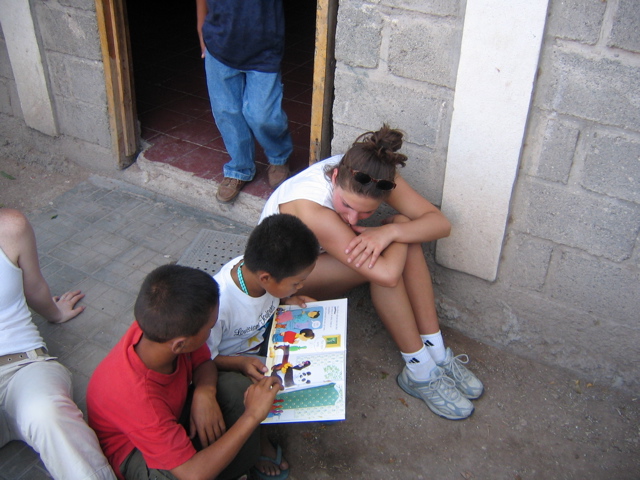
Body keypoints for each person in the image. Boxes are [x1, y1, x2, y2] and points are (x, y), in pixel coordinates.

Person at [259, 125, 484, 421]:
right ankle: (419, 370)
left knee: (401, 237)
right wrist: (396, 229)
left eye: (366, 213)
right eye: (347, 205)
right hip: (287, 280)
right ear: (336, 177)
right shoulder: (312, 206)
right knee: (391, 253)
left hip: (324, 259)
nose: (352, 218)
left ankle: (437, 353)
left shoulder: (372, 173)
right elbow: (388, 275)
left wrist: (391, 231)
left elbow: (441, 225)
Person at [87, 264, 283, 480]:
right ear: (179, 345)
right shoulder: (139, 398)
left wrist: (204, 392)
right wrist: (252, 415)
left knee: (236, 387)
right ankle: (222, 463)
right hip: (137, 453)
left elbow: (204, 362)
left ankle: (238, 461)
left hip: (170, 416)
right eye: (209, 328)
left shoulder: (161, 328)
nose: (212, 329)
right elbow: (192, 474)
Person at [0, 208, 116, 480]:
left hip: (22, 366)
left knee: (48, 414)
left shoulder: (10, 227)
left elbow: (34, 288)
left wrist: (56, 313)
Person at [207, 213, 319, 479]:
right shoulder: (218, 303)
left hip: (261, 342)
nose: (301, 285)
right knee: (255, 393)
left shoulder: (258, 276)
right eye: (296, 282)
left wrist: (286, 300)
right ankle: (258, 442)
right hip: (230, 363)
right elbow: (204, 358)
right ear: (266, 278)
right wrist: (240, 363)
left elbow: (266, 305)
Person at [196, 0, 293, 203]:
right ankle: (239, 168)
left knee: (263, 115)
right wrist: (201, 26)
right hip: (219, 43)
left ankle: (278, 157)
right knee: (226, 111)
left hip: (264, 46)